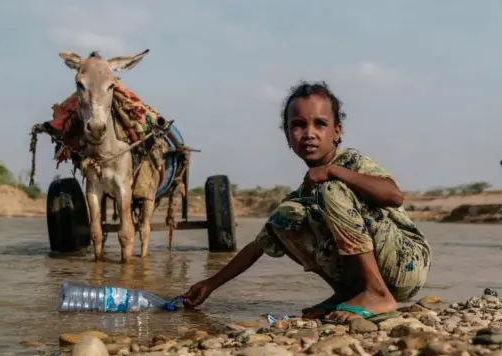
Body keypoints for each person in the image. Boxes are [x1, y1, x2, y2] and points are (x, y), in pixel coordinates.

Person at [182, 81, 432, 322]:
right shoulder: (306, 189)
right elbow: (257, 246)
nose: (309, 134)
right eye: (299, 125)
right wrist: (210, 284)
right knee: (285, 216)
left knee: (330, 191)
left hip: (406, 263)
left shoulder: (352, 163)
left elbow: (394, 195)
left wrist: (333, 172)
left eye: (320, 124)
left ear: (337, 132)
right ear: (287, 134)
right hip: (377, 267)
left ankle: (376, 293)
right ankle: (348, 294)